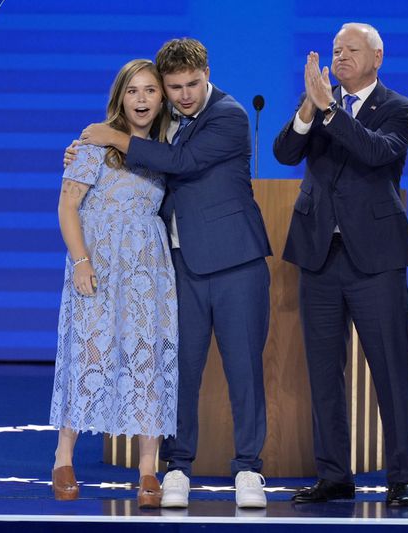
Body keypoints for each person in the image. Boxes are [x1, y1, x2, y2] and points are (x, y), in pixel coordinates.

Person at [73, 38, 272, 509]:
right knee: (179, 370)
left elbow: (183, 164)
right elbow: (140, 165)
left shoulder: (229, 115)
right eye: (174, 87)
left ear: (207, 74)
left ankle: (248, 468)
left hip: (235, 263)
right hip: (177, 266)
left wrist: (113, 137)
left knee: (243, 369)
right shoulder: (162, 125)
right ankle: (177, 465)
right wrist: (88, 152)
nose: (184, 94)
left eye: (192, 84)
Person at [273, 22, 408, 507]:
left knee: (390, 370)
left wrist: (330, 110)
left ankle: (400, 475)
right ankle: (334, 474)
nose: (340, 57)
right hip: (318, 255)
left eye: (350, 50)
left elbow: (376, 153)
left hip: (375, 259)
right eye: (336, 50)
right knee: (322, 371)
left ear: (377, 57)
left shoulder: (400, 109)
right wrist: (307, 110)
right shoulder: (316, 101)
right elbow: (284, 152)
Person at [49, 59, 177, 509]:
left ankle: (148, 470)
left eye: (150, 91)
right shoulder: (92, 145)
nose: (141, 100)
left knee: (147, 358)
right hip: (98, 266)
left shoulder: (167, 148)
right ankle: (63, 457)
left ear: (162, 98)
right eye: (133, 92)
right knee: (90, 352)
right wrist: (81, 261)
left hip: (147, 271)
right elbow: (68, 207)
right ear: (120, 97)